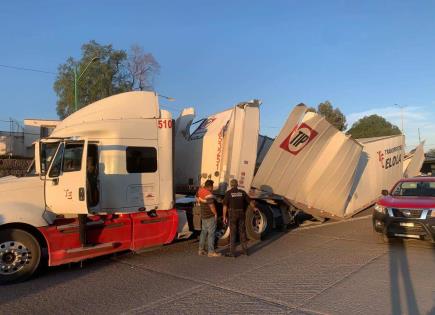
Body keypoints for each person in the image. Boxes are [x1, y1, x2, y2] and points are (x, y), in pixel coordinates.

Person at [223, 179, 254, 257]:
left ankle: (232, 252)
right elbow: (250, 202)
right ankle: (245, 251)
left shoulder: (228, 193)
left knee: (233, 233)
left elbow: (225, 206)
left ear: (231, 185)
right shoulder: (242, 192)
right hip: (241, 213)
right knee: (242, 232)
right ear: (237, 185)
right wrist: (255, 208)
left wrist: (224, 216)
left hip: (232, 213)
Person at [197, 179, 221, 257]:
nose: (213, 188)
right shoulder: (209, 194)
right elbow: (211, 206)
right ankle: (211, 252)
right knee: (211, 233)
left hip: (203, 215)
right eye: (212, 187)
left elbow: (197, 198)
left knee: (203, 232)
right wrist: (215, 214)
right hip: (210, 216)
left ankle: (201, 250)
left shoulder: (200, 191)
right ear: (210, 187)